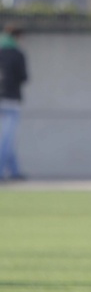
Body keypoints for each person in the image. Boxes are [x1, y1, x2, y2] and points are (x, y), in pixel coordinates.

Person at [0, 24, 28, 180]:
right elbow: (24, 77)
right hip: (10, 100)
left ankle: (14, 171)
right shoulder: (17, 54)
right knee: (6, 140)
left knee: (7, 139)